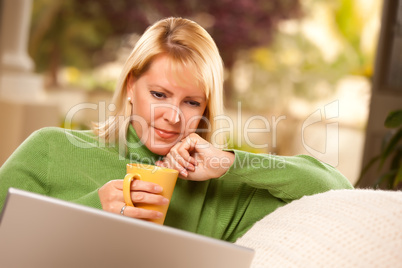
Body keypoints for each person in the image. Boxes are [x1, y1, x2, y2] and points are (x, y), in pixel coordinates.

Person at [0, 17, 353, 242]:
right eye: (159, 94)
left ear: (206, 109)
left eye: (191, 102)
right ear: (129, 88)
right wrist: (91, 211)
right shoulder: (50, 149)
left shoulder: (221, 190)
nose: (173, 116)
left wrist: (230, 163)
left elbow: (337, 191)